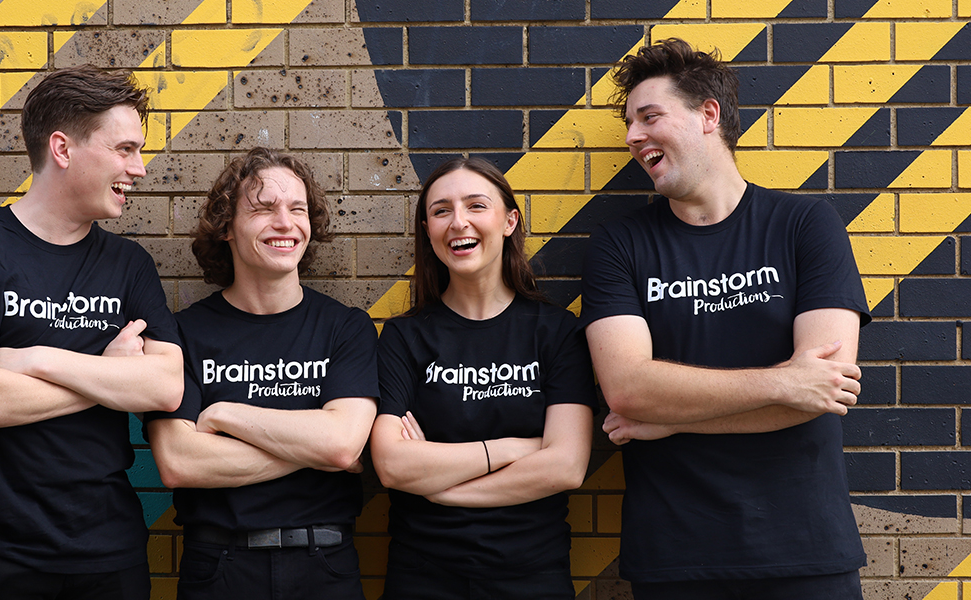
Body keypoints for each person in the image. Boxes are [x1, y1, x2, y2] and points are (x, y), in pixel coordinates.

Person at [579, 38, 869, 599]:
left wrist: (675, 417)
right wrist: (782, 379)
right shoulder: (621, 244)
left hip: (805, 550)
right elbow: (628, 389)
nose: (632, 137)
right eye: (629, 124)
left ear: (707, 114)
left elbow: (824, 390)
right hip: (676, 557)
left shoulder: (806, 224)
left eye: (650, 116)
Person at [0, 65, 184, 600]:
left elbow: (165, 386)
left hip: (107, 551)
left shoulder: (129, 265)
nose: (141, 169)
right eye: (125, 149)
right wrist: (108, 374)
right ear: (62, 148)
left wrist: (35, 357)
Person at [144, 147, 379, 600]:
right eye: (264, 208)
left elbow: (341, 443)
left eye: (298, 209)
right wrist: (319, 451)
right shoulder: (183, 334)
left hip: (324, 564)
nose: (286, 222)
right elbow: (180, 462)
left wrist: (224, 414)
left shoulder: (345, 327)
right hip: (219, 567)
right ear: (226, 227)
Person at [371, 157, 597, 599]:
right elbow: (393, 465)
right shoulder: (403, 336)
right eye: (441, 211)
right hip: (424, 576)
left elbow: (566, 466)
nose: (458, 223)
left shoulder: (556, 332)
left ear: (509, 221)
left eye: (476, 206)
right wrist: (512, 450)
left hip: (532, 576)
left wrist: (443, 487)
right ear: (427, 229)